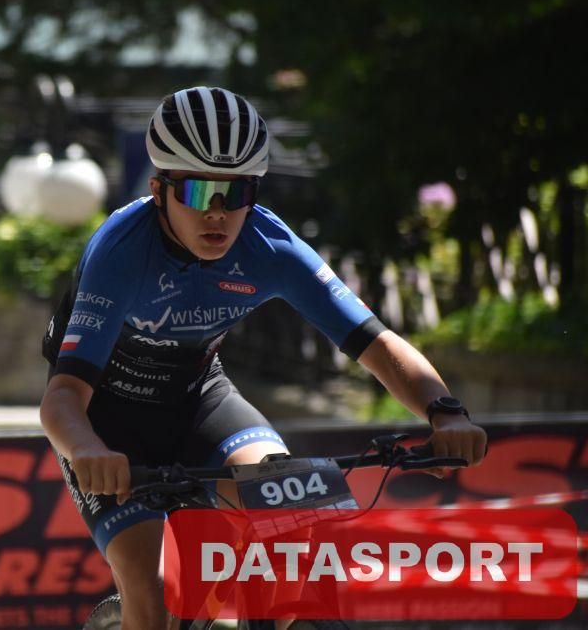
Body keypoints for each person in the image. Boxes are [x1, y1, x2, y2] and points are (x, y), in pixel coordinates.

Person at [39, 86, 488, 630]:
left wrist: (445, 412)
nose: (219, 212)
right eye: (198, 190)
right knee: (151, 589)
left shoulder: (269, 246)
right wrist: (88, 450)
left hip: (199, 401)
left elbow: (377, 343)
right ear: (158, 190)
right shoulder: (121, 252)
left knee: (290, 522)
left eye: (238, 192)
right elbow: (62, 398)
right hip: (109, 426)